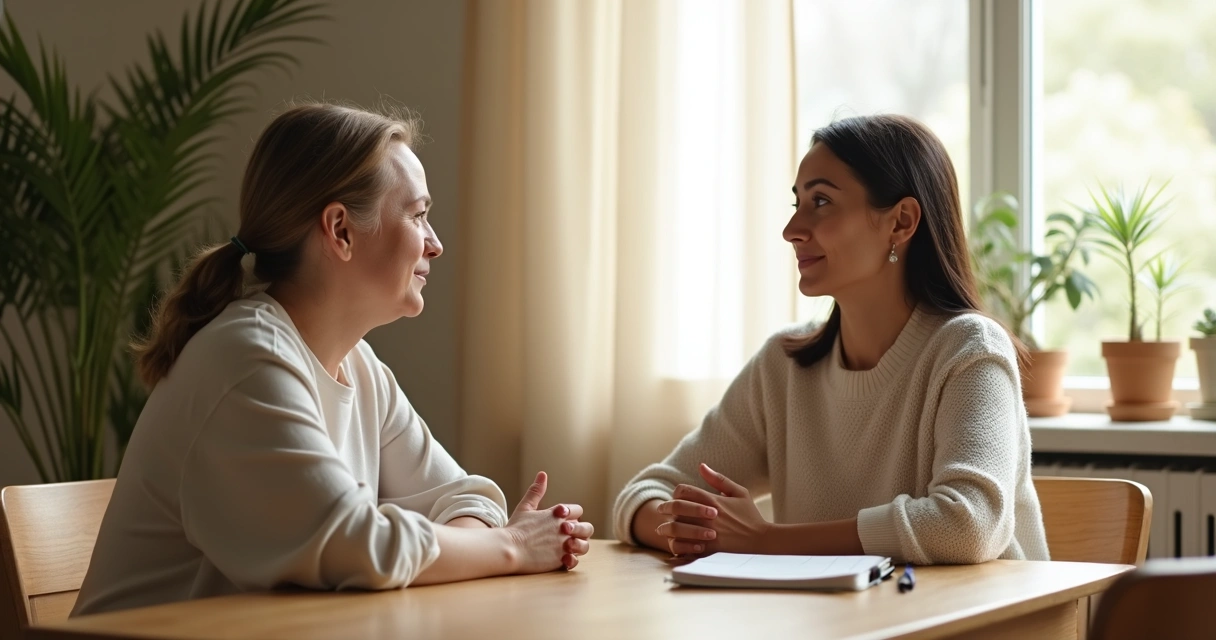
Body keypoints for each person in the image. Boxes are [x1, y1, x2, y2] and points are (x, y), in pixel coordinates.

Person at [73, 103, 592, 616]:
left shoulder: (359, 367)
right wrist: (513, 547)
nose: (435, 244)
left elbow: (467, 499)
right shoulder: (246, 359)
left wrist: (410, 541)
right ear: (340, 230)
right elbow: (355, 543)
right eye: (417, 215)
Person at [612, 114, 1049, 565]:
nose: (792, 230)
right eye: (797, 202)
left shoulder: (969, 349)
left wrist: (763, 541)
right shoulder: (783, 366)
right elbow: (645, 494)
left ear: (901, 222)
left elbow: (968, 526)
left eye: (821, 201)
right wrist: (701, 531)